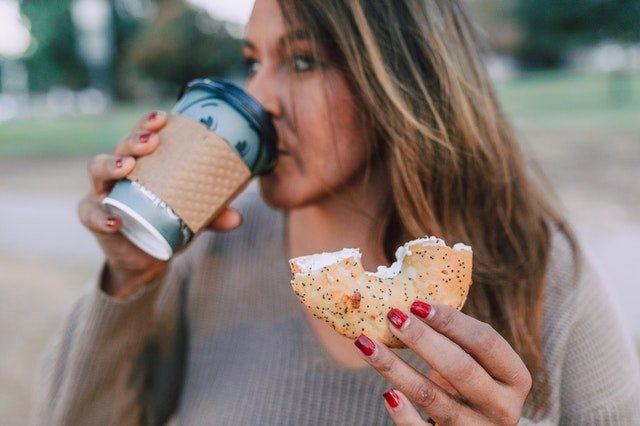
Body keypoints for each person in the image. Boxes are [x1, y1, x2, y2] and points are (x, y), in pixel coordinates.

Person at [33, 0, 640, 424]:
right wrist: (131, 273)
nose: (259, 99)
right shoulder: (215, 252)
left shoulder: (544, 275)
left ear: (402, 79)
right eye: (253, 62)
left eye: (302, 61)